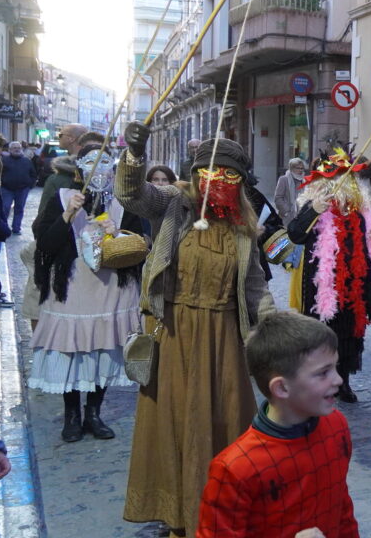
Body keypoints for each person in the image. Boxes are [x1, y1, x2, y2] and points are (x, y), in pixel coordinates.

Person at [118, 122, 273, 537]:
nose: (217, 181)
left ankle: (218, 513)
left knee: (225, 428)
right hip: (174, 335)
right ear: (195, 173)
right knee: (172, 427)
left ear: (240, 181)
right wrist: (135, 155)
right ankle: (177, 518)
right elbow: (133, 195)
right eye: (209, 172)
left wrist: (276, 327)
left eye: (228, 175)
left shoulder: (244, 224)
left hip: (225, 340)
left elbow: (255, 284)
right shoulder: (174, 203)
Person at [197, 311, 358, 538]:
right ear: (281, 388)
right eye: (323, 373)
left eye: (335, 367)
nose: (338, 380)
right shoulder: (235, 469)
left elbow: (342, 508)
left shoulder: (336, 426)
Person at [29, 145, 145, 442]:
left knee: (102, 349)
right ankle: (72, 415)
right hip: (72, 284)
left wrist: (116, 232)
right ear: (80, 168)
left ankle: (94, 413)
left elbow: (139, 247)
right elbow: (45, 243)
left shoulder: (123, 203)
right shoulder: (63, 197)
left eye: (105, 162)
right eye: (92, 162)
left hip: (111, 287)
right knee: (73, 349)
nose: (100, 168)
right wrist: (68, 214)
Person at [287, 149, 371, 403]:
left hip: (354, 283)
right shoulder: (315, 207)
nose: (344, 184)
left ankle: (343, 382)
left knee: (351, 333)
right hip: (323, 286)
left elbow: (366, 246)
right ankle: (318, 380)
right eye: (337, 178)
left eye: (347, 178)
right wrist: (314, 211)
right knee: (322, 333)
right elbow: (295, 234)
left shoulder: (359, 211)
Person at [1, 141, 36, 235]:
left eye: (18, 148)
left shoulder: (27, 161)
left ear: (21, 149)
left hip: (22, 189)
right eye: (14, 148)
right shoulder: (4, 160)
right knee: (5, 207)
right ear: (9, 150)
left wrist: (30, 185)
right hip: (6, 189)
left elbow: (33, 174)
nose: (17, 149)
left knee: (19, 208)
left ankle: (16, 228)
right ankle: (3, 227)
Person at [273, 158, 307, 225]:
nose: (300, 170)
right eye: (298, 168)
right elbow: (278, 198)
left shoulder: (304, 180)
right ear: (292, 168)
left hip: (301, 216)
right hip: (288, 217)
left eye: (302, 168)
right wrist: (286, 211)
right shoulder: (284, 179)